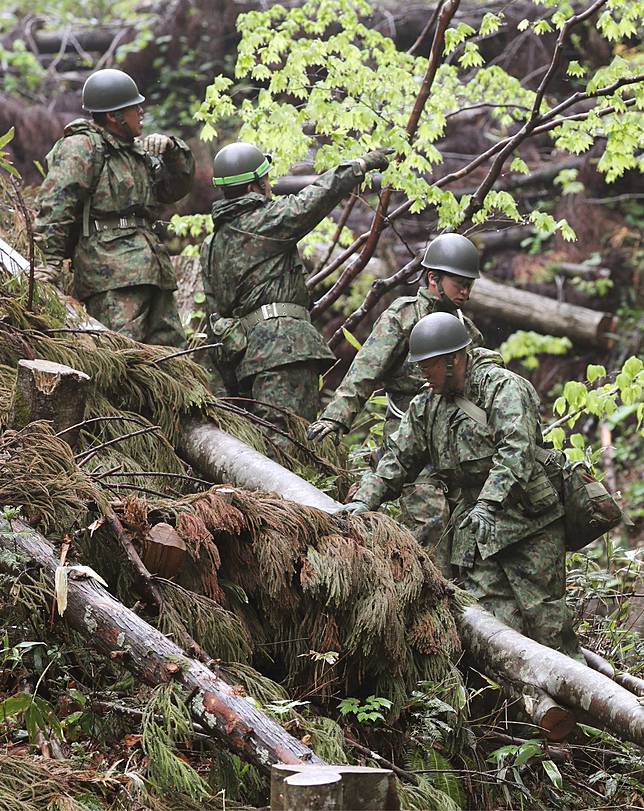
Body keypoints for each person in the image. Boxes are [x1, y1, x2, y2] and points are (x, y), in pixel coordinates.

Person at [342, 312, 580, 656]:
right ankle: (522, 706)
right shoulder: (427, 406)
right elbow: (398, 457)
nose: (423, 374)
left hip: (529, 522)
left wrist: (489, 503)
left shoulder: (502, 387)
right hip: (476, 532)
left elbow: (516, 450)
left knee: (546, 621)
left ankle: (578, 699)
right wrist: (364, 501)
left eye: (430, 366)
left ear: (455, 359)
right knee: (494, 627)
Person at [307, 233, 483, 568]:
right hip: (406, 438)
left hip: (455, 441)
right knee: (428, 521)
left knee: (465, 527)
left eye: (469, 285)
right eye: (459, 283)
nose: (466, 292)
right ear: (433, 278)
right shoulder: (402, 317)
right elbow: (366, 369)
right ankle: (422, 595)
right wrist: (336, 416)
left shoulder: (468, 332)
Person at [200, 141, 391, 444]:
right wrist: (359, 165)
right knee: (288, 446)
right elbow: (314, 199)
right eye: (265, 179)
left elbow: (214, 316)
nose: (270, 185)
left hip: (244, 360)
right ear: (254, 185)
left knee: (261, 449)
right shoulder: (267, 221)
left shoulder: (210, 246)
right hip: (284, 352)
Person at [34, 68, 194, 346]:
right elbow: (57, 203)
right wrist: (48, 265)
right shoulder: (82, 147)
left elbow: (174, 189)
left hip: (153, 271)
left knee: (173, 360)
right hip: (110, 274)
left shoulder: (138, 154)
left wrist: (172, 152)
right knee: (124, 355)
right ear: (113, 116)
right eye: (134, 108)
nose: (141, 112)